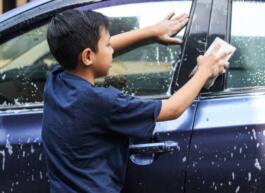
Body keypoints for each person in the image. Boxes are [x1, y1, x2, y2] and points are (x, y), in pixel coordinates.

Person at [42, 9, 230, 193]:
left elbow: (86, 48)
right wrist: (206, 69)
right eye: (108, 45)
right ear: (88, 56)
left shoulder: (56, 80)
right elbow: (173, 109)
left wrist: (152, 32)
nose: (113, 49)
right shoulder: (104, 101)